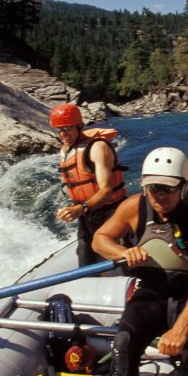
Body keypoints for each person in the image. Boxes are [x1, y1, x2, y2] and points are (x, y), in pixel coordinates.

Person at [92, 147, 188, 376]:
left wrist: (181, 329)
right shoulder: (133, 207)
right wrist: (122, 252)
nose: (159, 195)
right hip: (151, 292)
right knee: (124, 341)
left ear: (183, 188)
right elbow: (99, 238)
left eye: (167, 189)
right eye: (153, 188)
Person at [50, 102, 129, 267]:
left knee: (122, 260)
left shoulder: (97, 148)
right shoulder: (65, 150)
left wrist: (80, 208)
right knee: (85, 261)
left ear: (80, 126)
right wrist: (77, 209)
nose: (63, 134)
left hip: (112, 212)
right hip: (88, 215)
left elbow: (106, 190)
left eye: (67, 128)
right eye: (59, 129)